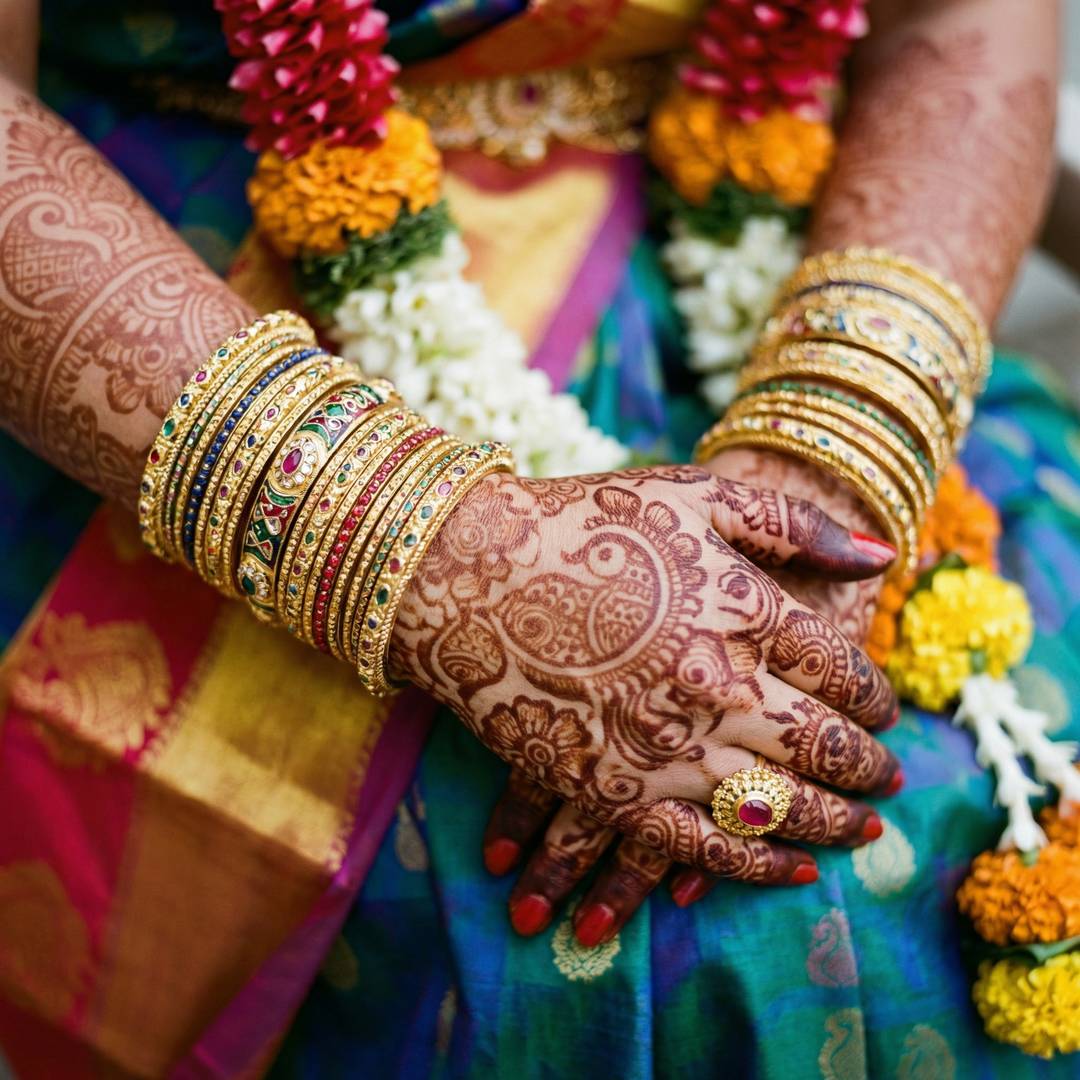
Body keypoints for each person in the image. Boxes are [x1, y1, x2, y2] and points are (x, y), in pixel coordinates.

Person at [0, 1, 1073, 1077]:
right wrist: (443, 558)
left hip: (761, 224)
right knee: (636, 948)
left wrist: (837, 441)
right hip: (176, 314)